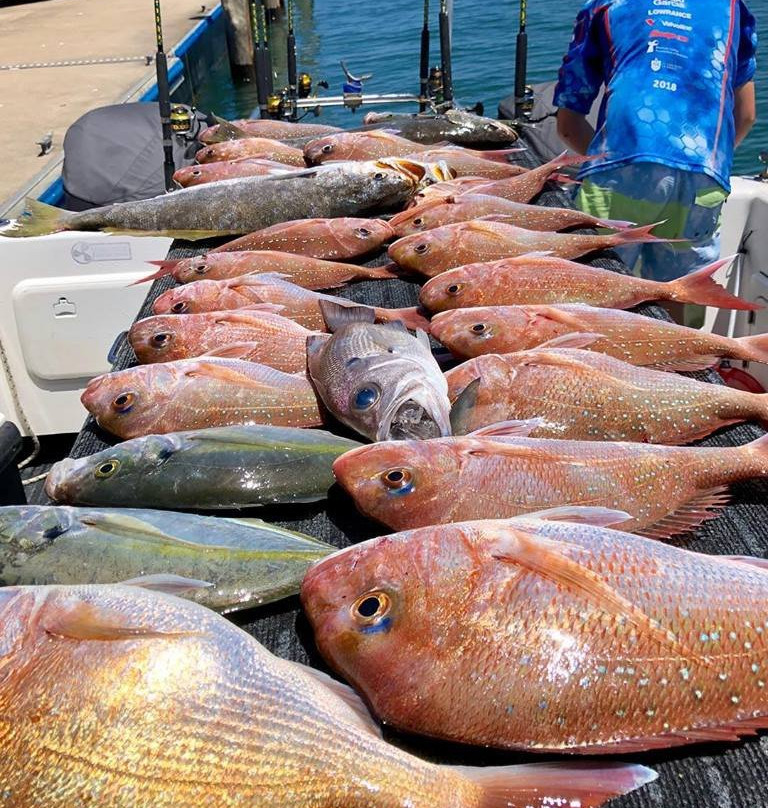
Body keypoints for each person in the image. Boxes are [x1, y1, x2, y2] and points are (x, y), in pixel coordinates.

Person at [553, 0, 757, 308]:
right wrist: (705, 163)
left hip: (621, 171)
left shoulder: (604, 5)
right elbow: (747, 116)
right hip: (705, 174)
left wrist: (606, 163)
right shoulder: (731, 7)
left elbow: (568, 126)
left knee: (595, 300)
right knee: (679, 295)